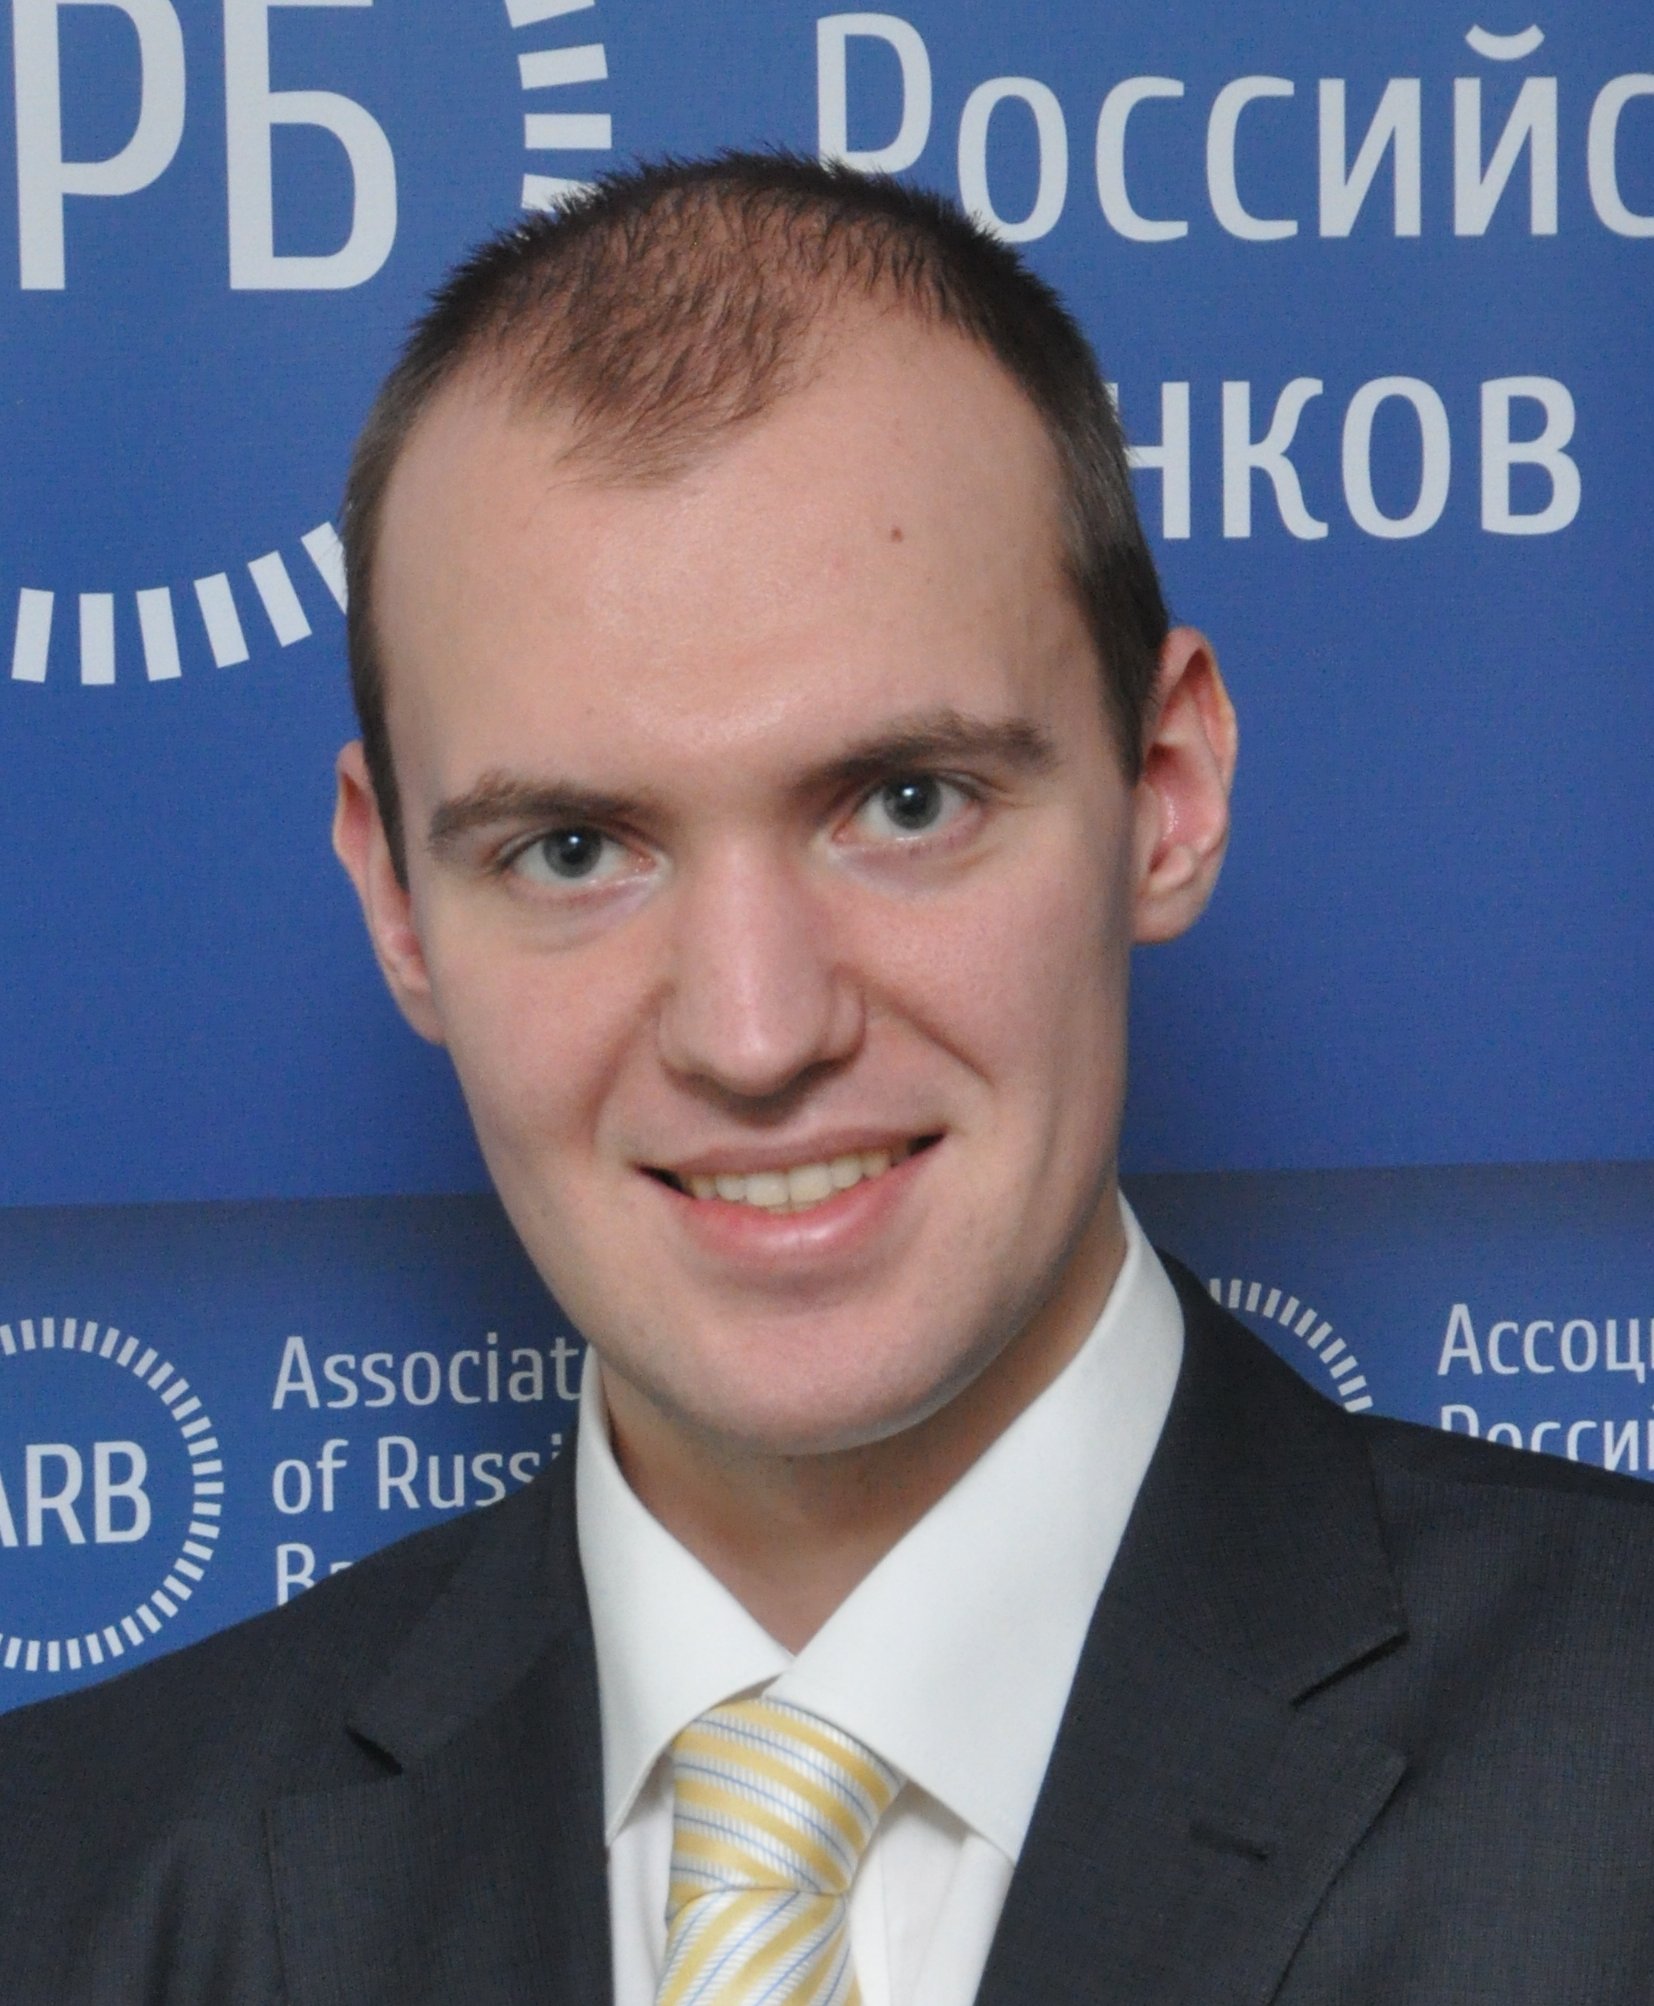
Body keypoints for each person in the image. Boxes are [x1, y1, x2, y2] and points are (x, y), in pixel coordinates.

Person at [3, 151, 1654, 2006]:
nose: (754, 1030)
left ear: (1165, 794)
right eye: (571, 848)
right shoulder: (63, 1895)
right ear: (397, 903)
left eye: (905, 802)